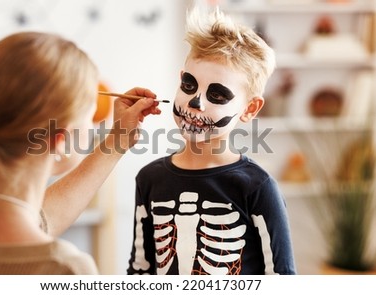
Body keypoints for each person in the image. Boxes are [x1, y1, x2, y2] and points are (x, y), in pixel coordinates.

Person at [0, 31, 161, 274]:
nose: (92, 127)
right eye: (90, 117)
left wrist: (115, 144)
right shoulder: (63, 270)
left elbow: (35, 220)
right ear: (60, 139)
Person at [127, 7, 297, 275]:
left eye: (217, 96)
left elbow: (282, 278)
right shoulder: (149, 179)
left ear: (249, 109)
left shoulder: (257, 188)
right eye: (189, 86)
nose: (196, 103)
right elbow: (140, 270)